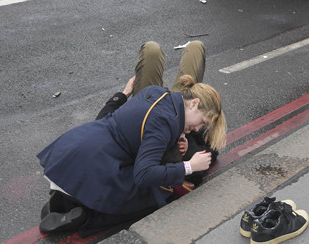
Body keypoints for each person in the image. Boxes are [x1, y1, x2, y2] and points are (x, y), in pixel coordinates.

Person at [36, 40, 226, 234]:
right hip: (96, 169)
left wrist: (123, 94)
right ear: (193, 103)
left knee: (152, 49)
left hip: (71, 154)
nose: (197, 129)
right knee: (156, 195)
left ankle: (60, 201)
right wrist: (190, 166)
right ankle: (87, 218)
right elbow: (143, 174)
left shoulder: (154, 92)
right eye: (202, 122)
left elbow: (108, 120)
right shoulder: (164, 124)